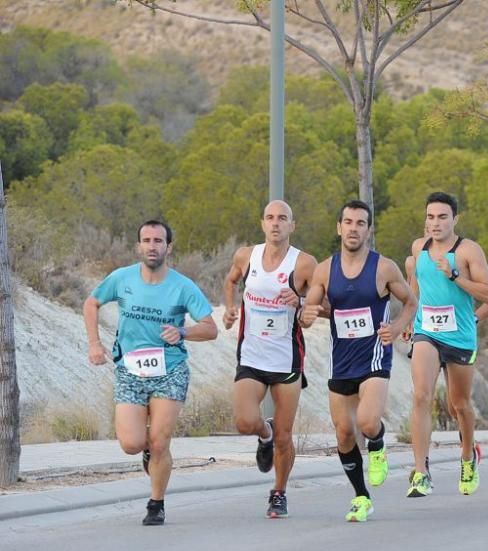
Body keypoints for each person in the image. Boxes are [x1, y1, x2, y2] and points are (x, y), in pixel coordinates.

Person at [84, 220, 218, 525]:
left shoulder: (183, 286)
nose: (152, 246)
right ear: (138, 246)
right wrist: (95, 343)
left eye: (158, 241)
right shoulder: (122, 278)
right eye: (146, 240)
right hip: (130, 370)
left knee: (160, 441)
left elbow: (211, 329)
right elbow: (91, 303)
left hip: (169, 370)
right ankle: (150, 453)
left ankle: (156, 503)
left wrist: (183, 332)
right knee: (131, 443)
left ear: (168, 247)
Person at [299, 200, 415, 521]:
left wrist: (397, 327)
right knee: (344, 433)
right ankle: (361, 496)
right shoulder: (324, 269)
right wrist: (305, 313)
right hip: (342, 361)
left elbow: (410, 302)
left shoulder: (384, 267)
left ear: (368, 229)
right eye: (348, 222)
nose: (353, 228)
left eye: (360, 223)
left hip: (375, 356)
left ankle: (377, 443)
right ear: (339, 228)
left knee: (365, 422)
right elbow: (309, 311)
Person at [221, 200, 317, 519]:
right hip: (251, 355)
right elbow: (231, 279)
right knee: (244, 421)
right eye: (270, 218)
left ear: (293, 225)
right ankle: (265, 433)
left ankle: (279, 492)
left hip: (286, 360)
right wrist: (230, 307)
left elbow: (326, 302)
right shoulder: (246, 256)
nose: (276, 224)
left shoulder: (303, 264)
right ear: (262, 223)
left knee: (287, 436)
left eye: (283, 219)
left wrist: (302, 301)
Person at [406, 192, 488, 497]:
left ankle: (468, 456)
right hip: (426, 332)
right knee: (421, 395)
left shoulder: (469, 251)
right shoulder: (419, 248)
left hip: (459, 336)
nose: (435, 223)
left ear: (455, 219)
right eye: (430, 216)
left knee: (460, 405)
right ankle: (420, 471)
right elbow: (415, 289)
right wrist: (409, 319)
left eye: (442, 217)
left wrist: (455, 275)